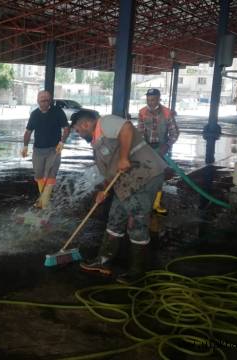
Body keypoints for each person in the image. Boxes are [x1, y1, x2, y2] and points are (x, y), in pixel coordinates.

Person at [70, 110, 166, 283]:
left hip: (145, 174)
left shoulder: (104, 123)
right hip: (126, 183)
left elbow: (126, 127)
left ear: (85, 124)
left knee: (136, 223)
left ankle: (137, 272)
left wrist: (123, 157)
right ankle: (103, 261)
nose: (78, 133)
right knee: (115, 219)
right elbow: (109, 174)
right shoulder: (97, 145)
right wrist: (104, 191)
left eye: (77, 130)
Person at [21, 90, 69, 209]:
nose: (44, 101)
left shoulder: (58, 112)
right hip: (38, 150)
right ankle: (43, 199)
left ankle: (44, 203)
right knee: (39, 175)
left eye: (47, 99)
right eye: (42, 99)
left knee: (50, 175)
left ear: (50, 101)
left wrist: (62, 142)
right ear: (38, 101)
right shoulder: (34, 114)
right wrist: (25, 146)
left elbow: (66, 129)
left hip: (54, 149)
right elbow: (28, 132)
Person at [137, 88, 179, 215]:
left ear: (159, 99)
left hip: (161, 149)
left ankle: (156, 203)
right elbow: (139, 132)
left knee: (159, 177)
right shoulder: (142, 112)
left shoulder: (167, 113)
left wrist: (167, 145)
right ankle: (143, 201)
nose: (150, 102)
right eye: (148, 100)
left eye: (153, 99)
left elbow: (174, 132)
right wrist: (142, 148)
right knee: (144, 175)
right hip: (147, 149)